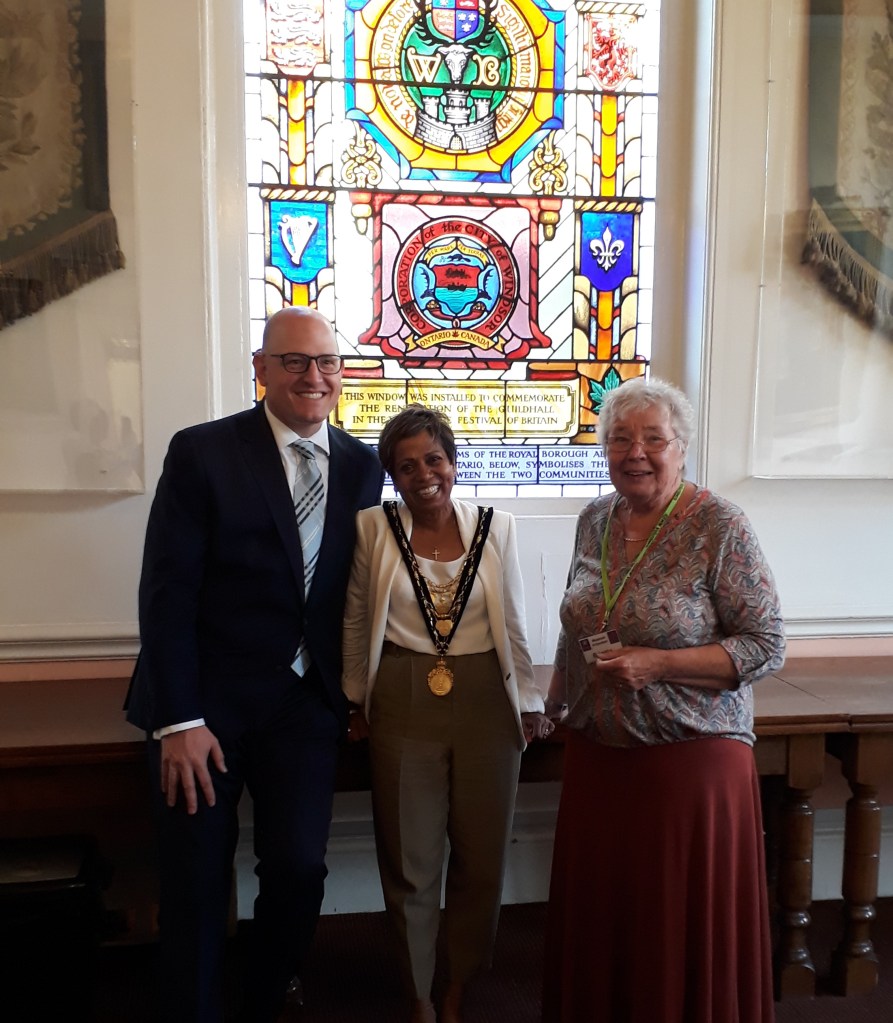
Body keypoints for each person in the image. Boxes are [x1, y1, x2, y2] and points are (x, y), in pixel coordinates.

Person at [125, 306, 383, 1023]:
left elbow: (354, 593)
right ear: (260, 368)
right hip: (201, 704)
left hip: (302, 707)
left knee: (299, 869)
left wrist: (356, 694)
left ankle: (269, 990)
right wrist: (179, 719)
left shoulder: (363, 467)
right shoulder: (204, 452)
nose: (313, 375)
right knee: (198, 877)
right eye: (295, 360)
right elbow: (167, 591)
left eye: (327, 361)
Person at [542, 376, 785, 1023]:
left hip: (689, 768)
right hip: (600, 760)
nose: (635, 452)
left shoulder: (718, 523)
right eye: (619, 438)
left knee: (677, 931)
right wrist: (553, 701)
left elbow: (764, 644)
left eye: (653, 438)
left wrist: (660, 664)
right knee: (605, 925)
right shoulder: (594, 518)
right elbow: (575, 624)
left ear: (681, 447)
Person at [342, 404, 552, 1023]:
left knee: (481, 855)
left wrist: (532, 702)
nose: (423, 474)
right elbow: (357, 618)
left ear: (453, 463)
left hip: (489, 695)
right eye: (406, 466)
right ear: (393, 476)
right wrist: (356, 697)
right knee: (410, 858)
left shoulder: (498, 526)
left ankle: (459, 982)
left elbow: (513, 618)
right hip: (404, 695)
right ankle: (418, 992)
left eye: (433, 459)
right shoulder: (372, 530)